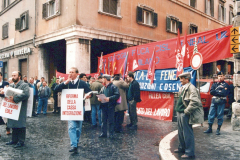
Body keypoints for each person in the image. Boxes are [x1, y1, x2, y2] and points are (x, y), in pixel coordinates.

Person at [54, 67, 92, 153]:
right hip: (69, 108)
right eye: (69, 72)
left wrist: (89, 95)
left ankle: (76, 142)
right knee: (71, 126)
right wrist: (64, 83)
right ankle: (73, 145)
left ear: (77, 74)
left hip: (79, 107)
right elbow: (55, 90)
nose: (70, 74)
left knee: (78, 128)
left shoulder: (82, 83)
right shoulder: (66, 83)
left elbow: (90, 92)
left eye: (72, 72)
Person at [174, 72, 204, 159]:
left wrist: (186, 112)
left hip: (184, 113)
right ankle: (182, 148)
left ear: (187, 79)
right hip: (180, 112)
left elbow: (195, 102)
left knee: (187, 133)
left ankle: (189, 152)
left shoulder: (191, 88)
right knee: (180, 132)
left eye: (182, 78)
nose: (180, 80)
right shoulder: (184, 87)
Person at [4, 71, 30, 148]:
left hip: (21, 108)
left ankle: (21, 141)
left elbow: (26, 94)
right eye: (12, 75)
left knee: (21, 124)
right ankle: (14, 140)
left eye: (14, 75)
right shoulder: (11, 85)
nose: (13, 77)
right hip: (13, 108)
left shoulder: (24, 85)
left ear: (19, 76)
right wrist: (3, 92)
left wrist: (15, 98)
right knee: (13, 123)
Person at [98, 74, 120, 139]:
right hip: (103, 106)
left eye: (102, 78)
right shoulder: (103, 87)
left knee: (111, 121)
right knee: (103, 121)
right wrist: (99, 98)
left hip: (110, 106)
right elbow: (100, 94)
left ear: (105, 79)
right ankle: (103, 133)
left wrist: (109, 98)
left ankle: (111, 134)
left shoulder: (113, 86)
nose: (102, 80)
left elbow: (117, 95)